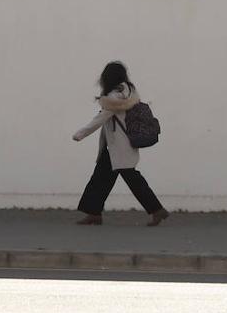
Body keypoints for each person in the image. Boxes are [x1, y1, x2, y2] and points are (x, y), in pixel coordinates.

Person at [72, 61, 170, 226]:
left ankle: (157, 210)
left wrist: (80, 134)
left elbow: (101, 118)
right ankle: (94, 213)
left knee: (131, 179)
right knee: (101, 178)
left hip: (119, 146)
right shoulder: (127, 91)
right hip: (117, 146)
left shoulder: (115, 97)